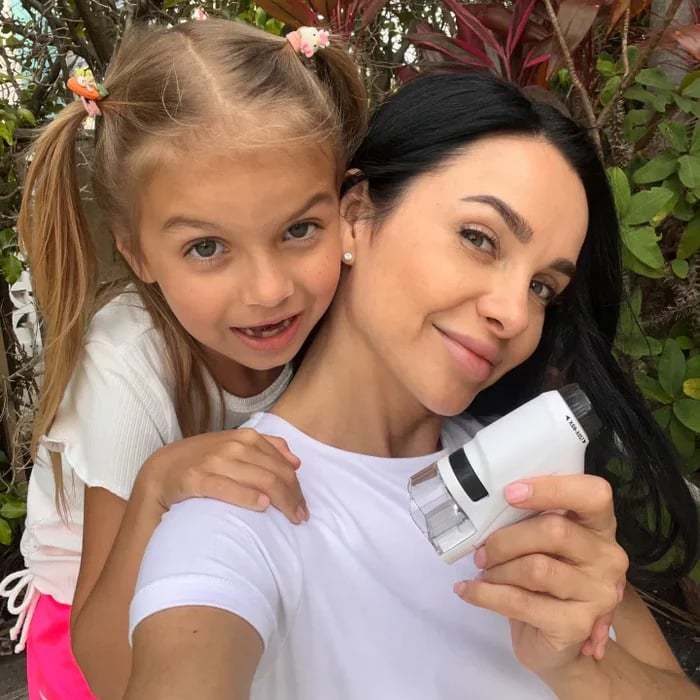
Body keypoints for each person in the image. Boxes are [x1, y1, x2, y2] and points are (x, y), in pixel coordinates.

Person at [126, 72, 699, 699]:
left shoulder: (531, 473)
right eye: (479, 239)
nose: (515, 314)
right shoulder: (243, 511)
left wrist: (579, 669)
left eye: (543, 288)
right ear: (355, 215)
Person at [0, 18, 366, 700]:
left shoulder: (350, 303)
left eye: (299, 229)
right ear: (138, 254)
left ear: (349, 210)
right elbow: (106, 662)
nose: (269, 290)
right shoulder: (124, 367)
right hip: (86, 620)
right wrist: (158, 484)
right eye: (206, 247)